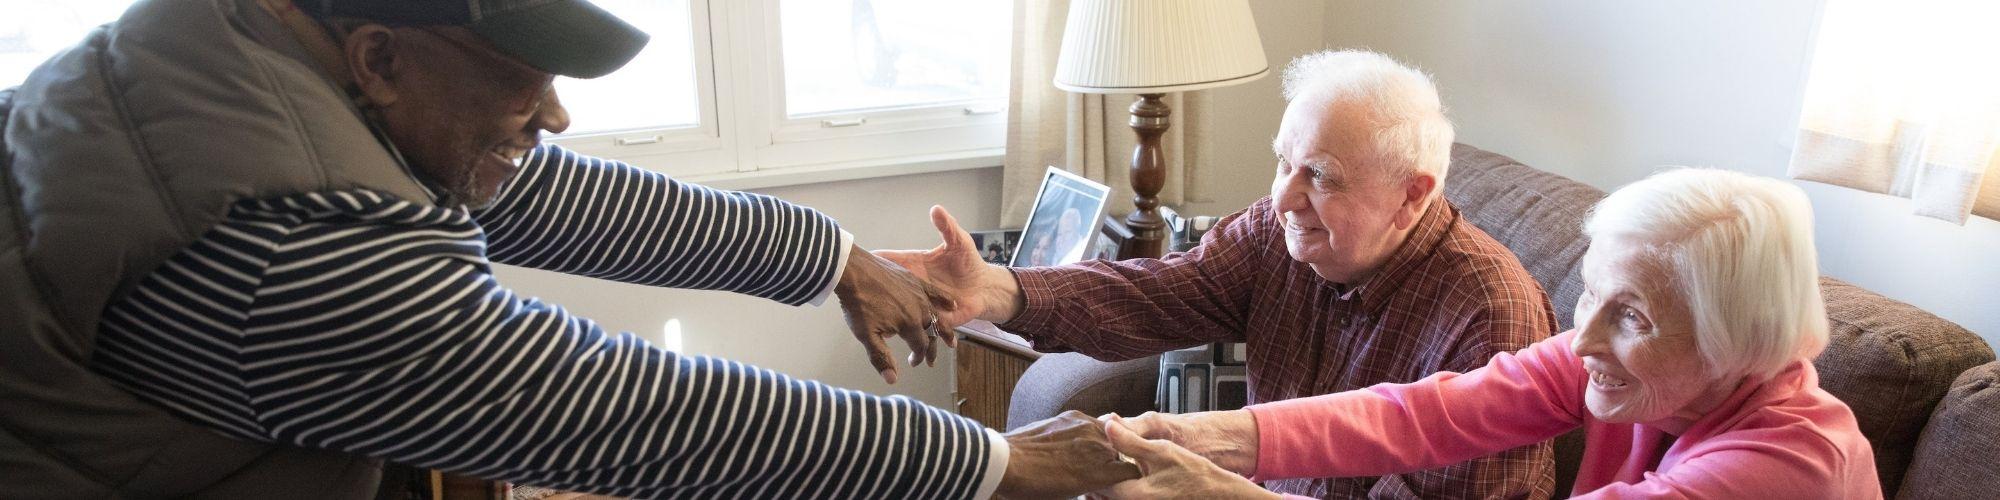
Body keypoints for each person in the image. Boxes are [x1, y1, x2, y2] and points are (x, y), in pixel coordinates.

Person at [0, 0, 1136, 497]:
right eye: (520, 80)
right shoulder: (275, 253)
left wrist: (829, 254)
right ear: (382, 58)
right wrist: (992, 463)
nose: (552, 115)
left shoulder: (257, 52)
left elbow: (542, 192)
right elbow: (619, 408)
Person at [883, 50, 1560, 497]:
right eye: (1282, 162)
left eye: (1320, 176)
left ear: (1412, 195)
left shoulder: (1490, 318)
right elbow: (1156, 294)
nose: (1284, 197)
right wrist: (996, 290)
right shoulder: (1279, 231)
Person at [1094, 168, 1881, 499]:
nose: (1581, 344)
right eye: (1592, 298)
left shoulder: (1788, 465)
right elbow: (1421, 415)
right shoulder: (1629, 363)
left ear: (1736, 337)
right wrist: (1195, 435)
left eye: (1632, 316)